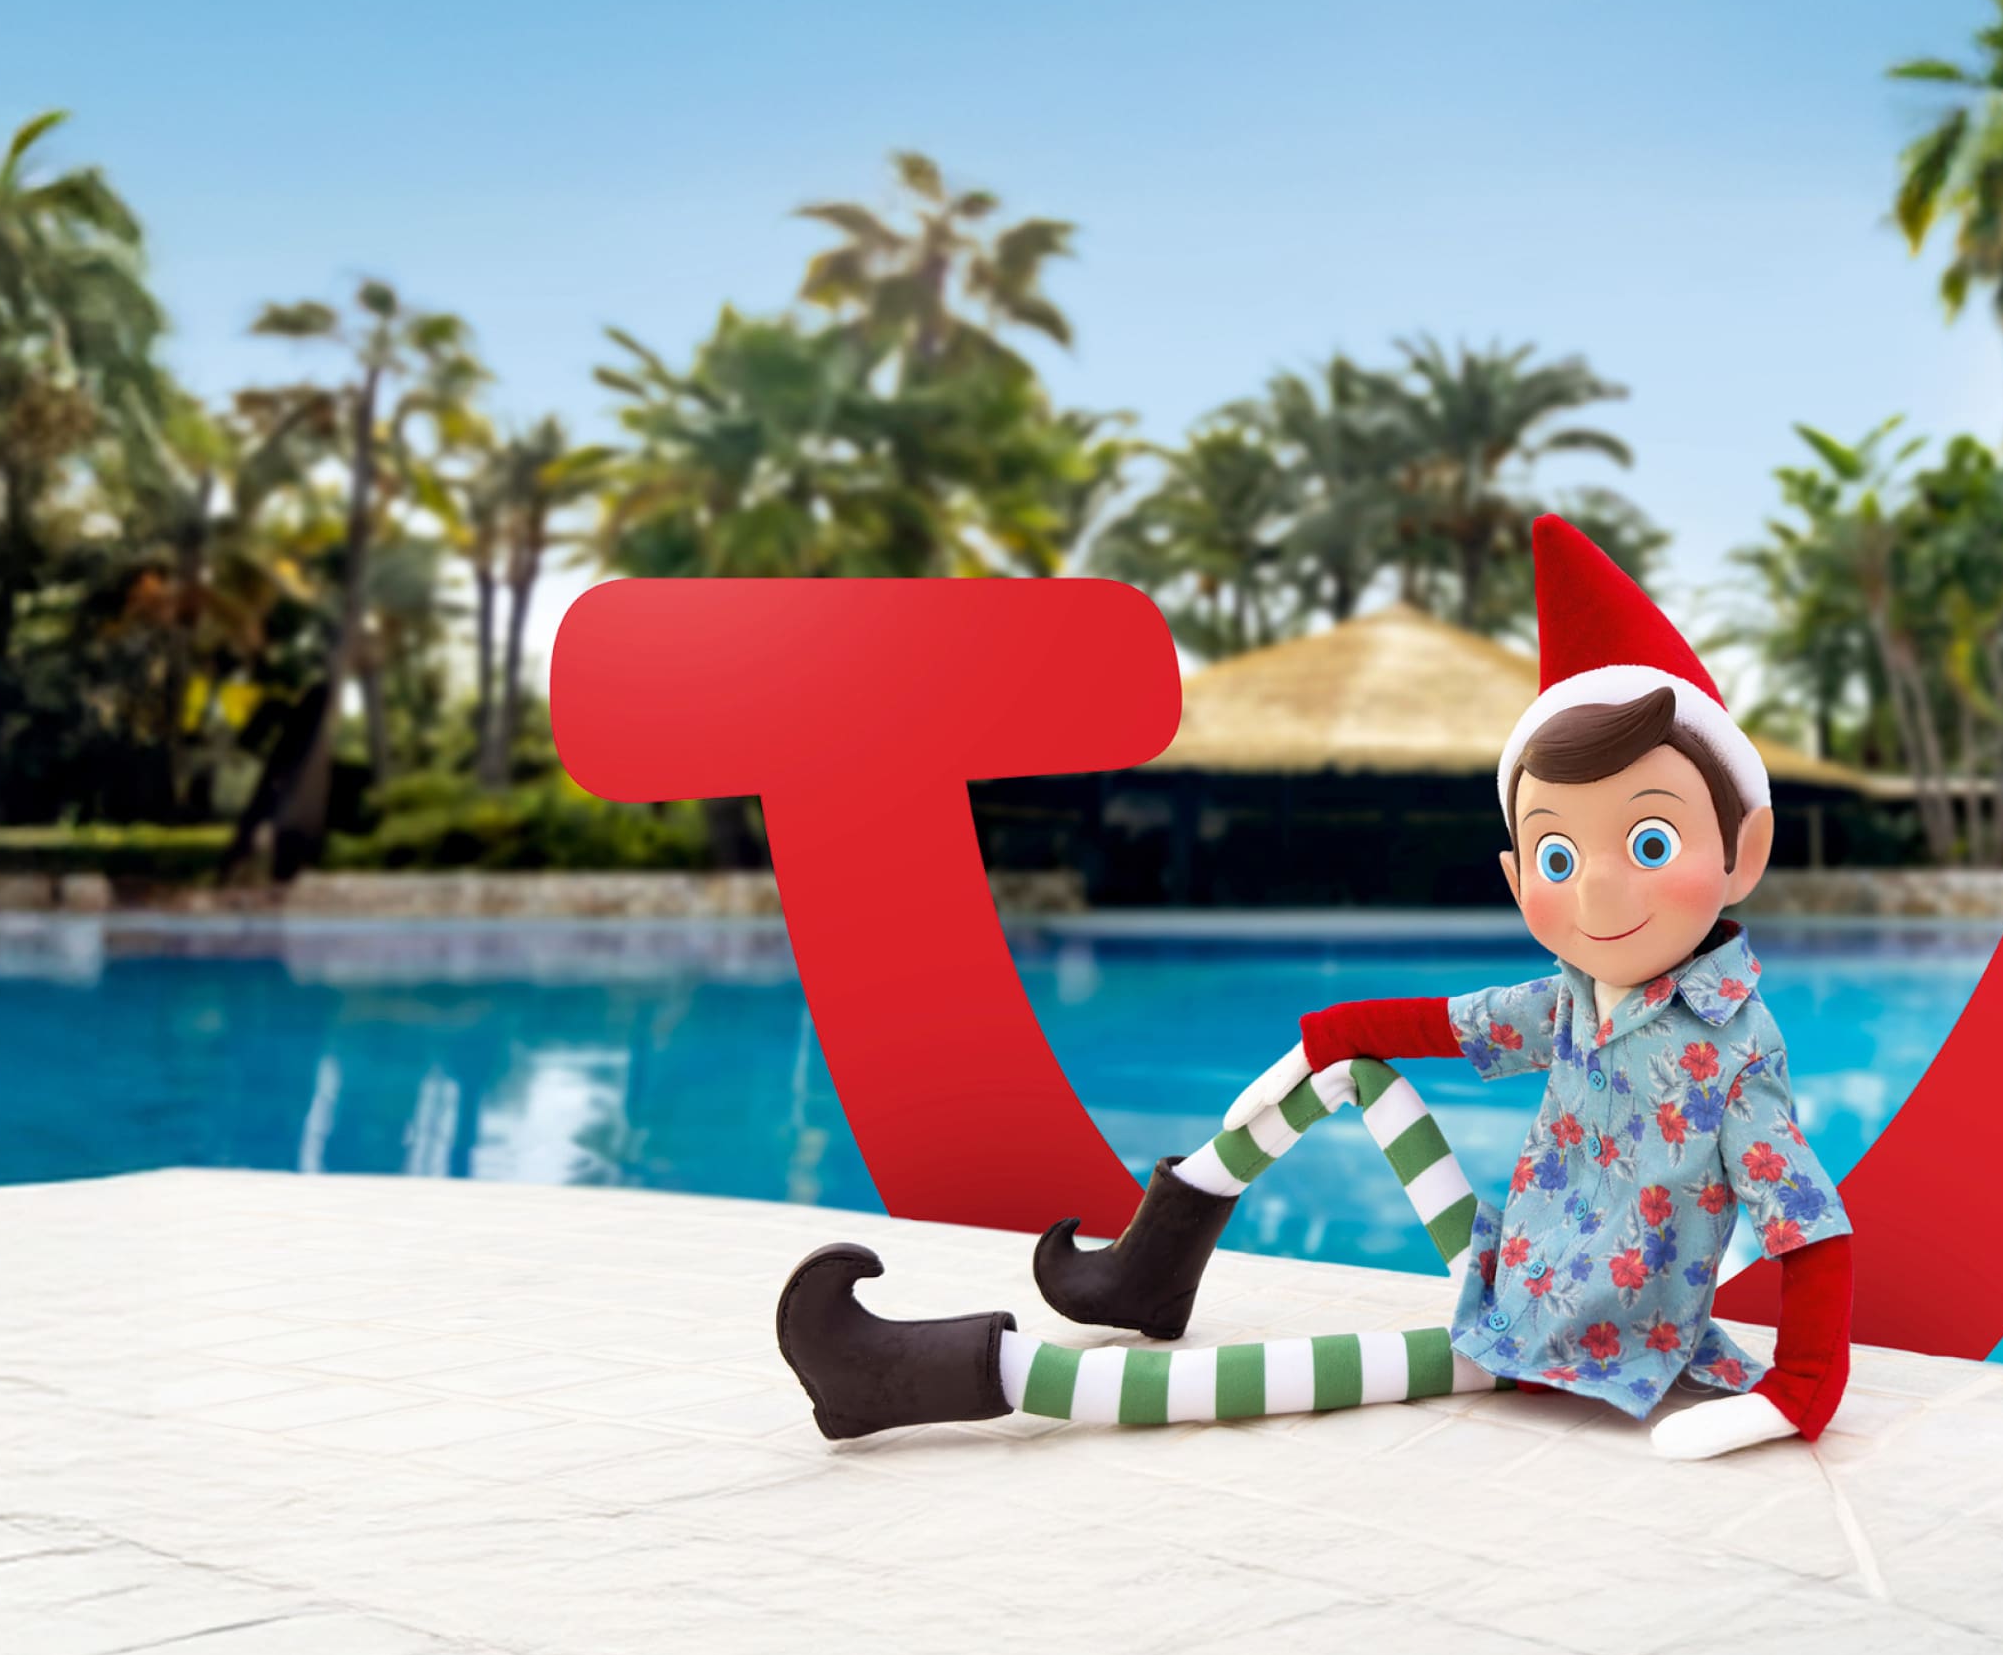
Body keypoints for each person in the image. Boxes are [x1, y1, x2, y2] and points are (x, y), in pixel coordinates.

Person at [774, 517, 1858, 1461]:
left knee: (1280, 1378)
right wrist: (1332, 1033)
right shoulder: (1575, 998)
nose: (1601, 889)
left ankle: (965, 1374)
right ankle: (1161, 1249)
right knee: (1346, 1060)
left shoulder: (1728, 1048)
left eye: (1651, 837)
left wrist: (1795, 1393)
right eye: (1559, 858)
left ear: (1744, 847)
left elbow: (1805, 1219)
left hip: (1563, 1339)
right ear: (1515, 876)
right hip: (1507, 1266)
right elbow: (1441, 1025)